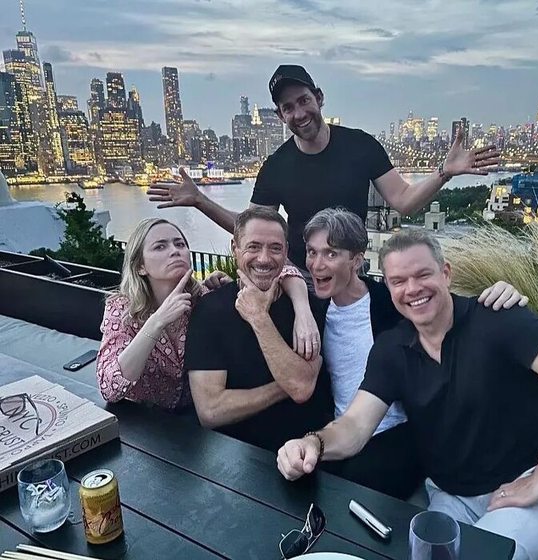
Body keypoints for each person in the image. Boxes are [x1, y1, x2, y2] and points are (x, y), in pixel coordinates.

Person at [277, 228, 538, 560]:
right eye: (398, 281)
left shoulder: (497, 320)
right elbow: (354, 425)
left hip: (532, 486)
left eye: (423, 274)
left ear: (446, 273)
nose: (412, 289)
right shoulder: (392, 348)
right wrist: (313, 443)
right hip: (450, 498)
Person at [146, 64, 500, 273]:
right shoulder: (276, 166)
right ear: (280, 115)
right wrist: (200, 200)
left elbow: (404, 201)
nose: (299, 113)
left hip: (352, 271)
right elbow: (250, 228)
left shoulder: (361, 145)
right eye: (288, 108)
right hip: (301, 276)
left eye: (304, 101)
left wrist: (444, 172)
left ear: (319, 97)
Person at [302, 208, 528, 499]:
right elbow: (285, 274)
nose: (317, 264)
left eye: (331, 253)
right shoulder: (314, 311)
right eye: (312, 252)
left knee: (351, 490)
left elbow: (443, 309)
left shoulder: (392, 303)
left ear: (357, 260)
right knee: (302, 480)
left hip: (400, 433)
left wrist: (504, 292)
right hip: (341, 431)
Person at [96, 217, 312, 409]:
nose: (174, 251)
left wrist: (303, 310)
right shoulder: (122, 309)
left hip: (196, 424)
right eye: (160, 247)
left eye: (180, 244)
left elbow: (280, 270)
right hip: (144, 422)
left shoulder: (204, 297)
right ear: (140, 266)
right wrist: (157, 321)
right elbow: (109, 386)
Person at [184, 207, 333, 452]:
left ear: (286, 251)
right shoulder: (210, 311)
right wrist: (287, 384)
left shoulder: (307, 309)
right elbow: (210, 410)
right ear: (235, 249)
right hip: (235, 455)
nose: (264, 259)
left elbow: (301, 387)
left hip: (306, 449)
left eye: (275, 248)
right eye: (253, 247)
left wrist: (259, 317)